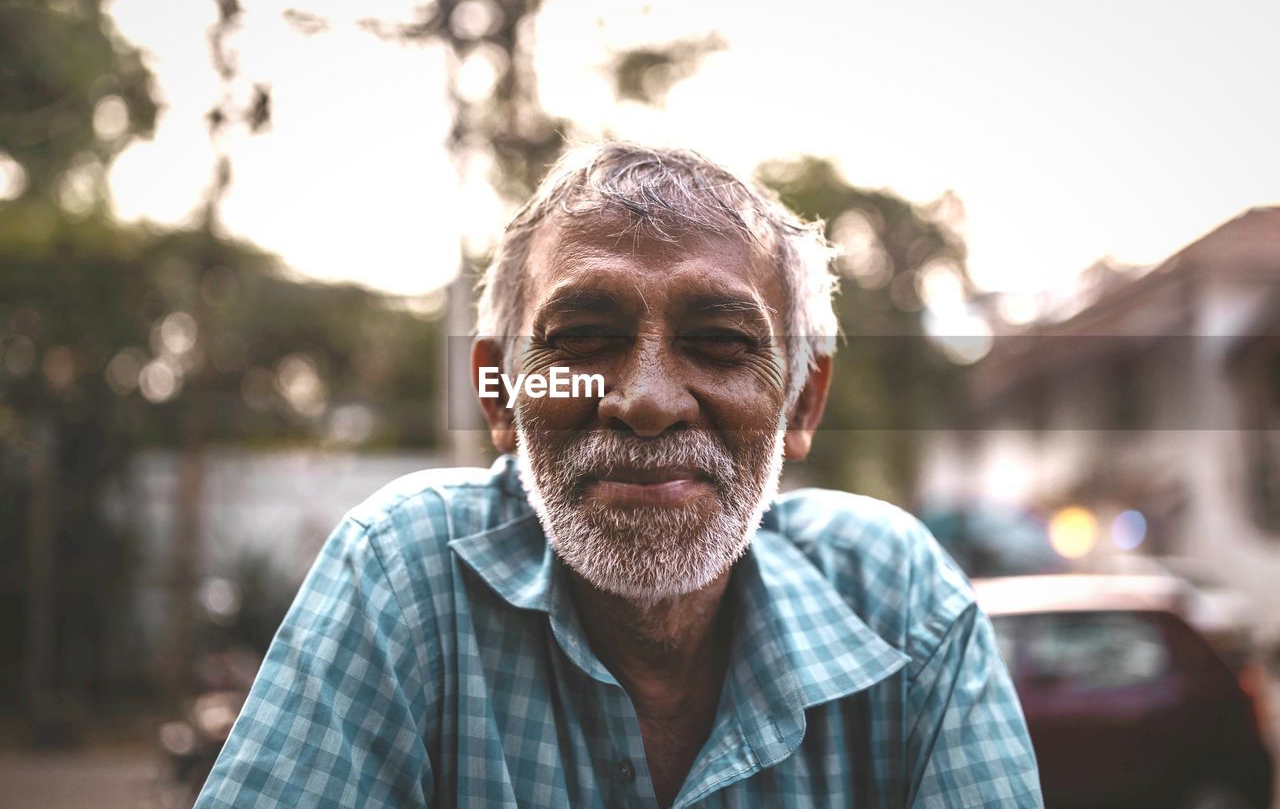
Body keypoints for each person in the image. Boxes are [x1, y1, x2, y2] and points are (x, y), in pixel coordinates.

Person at [195, 142, 1043, 808]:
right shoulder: (403, 573)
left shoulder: (900, 601)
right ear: (498, 391)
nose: (644, 402)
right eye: (581, 339)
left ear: (803, 404)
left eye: (720, 343)